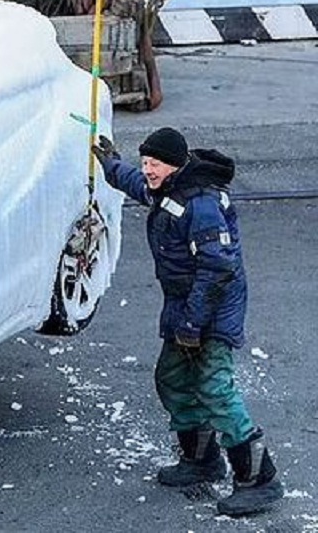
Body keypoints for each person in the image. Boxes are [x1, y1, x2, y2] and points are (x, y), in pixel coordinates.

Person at [92, 127, 283, 517]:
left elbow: (217, 271)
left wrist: (193, 327)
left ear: (175, 165)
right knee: (173, 378)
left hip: (212, 309)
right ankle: (201, 458)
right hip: (185, 306)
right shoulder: (167, 186)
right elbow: (137, 184)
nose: (147, 170)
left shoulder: (202, 204)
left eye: (154, 164)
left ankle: (259, 479)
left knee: (214, 388)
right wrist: (112, 164)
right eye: (145, 162)